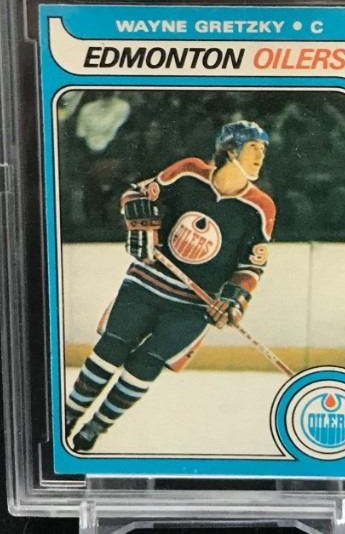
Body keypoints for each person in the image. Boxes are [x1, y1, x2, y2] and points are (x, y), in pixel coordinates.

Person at [65, 120, 276, 452]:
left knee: (145, 365)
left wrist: (234, 300)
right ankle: (68, 415)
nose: (261, 156)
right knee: (111, 349)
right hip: (146, 282)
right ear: (231, 150)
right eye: (253, 147)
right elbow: (137, 194)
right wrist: (139, 224)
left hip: (193, 307)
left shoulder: (260, 208)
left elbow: (252, 266)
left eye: (263, 149)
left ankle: (95, 427)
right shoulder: (188, 172)